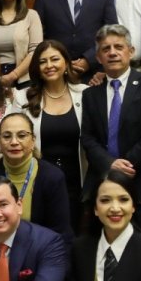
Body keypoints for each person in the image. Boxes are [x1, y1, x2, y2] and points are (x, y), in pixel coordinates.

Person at [80, 25, 141, 236]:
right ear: (99, 57)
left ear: (130, 51)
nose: (112, 52)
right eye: (106, 49)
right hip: (104, 185)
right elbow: (88, 137)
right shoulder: (90, 94)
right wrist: (109, 164)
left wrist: (125, 165)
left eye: (118, 47)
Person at [0, 113, 74, 244]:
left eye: (22, 136)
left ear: (33, 140)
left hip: (40, 254)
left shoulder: (52, 177)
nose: (14, 142)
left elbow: (60, 233)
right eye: (7, 136)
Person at [20, 40, 88, 233]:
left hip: (77, 182)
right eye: (43, 61)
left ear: (66, 63)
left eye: (55, 59)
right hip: (39, 183)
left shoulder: (85, 94)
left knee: (74, 237)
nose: (49, 65)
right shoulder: (23, 97)